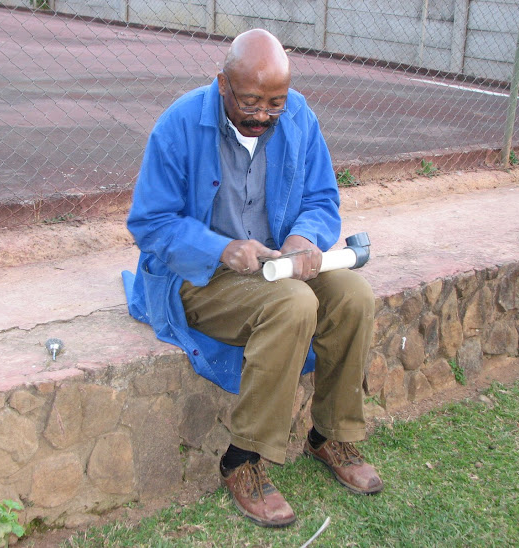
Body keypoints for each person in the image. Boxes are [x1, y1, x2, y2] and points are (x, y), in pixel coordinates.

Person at [123, 28, 382, 528]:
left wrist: (305, 239)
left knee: (353, 294)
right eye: (251, 101)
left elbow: (323, 199)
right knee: (293, 305)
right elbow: (150, 223)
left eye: (275, 103)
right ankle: (242, 459)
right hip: (200, 278)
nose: (263, 115)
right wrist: (222, 248)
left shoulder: (299, 117)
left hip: (277, 264)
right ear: (222, 84)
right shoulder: (179, 125)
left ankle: (331, 434)